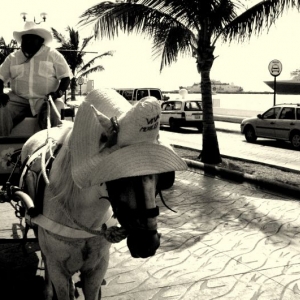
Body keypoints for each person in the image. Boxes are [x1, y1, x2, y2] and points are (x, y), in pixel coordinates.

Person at [0, 21, 72, 136]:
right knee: (1, 108)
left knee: (50, 115)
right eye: (25, 38)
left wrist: (57, 94)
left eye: (31, 38)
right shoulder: (12, 58)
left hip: (45, 99)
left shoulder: (53, 55)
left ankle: (43, 150)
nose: (27, 42)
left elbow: (66, 78)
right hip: (18, 99)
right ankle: (3, 147)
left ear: (40, 41)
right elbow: (0, 78)